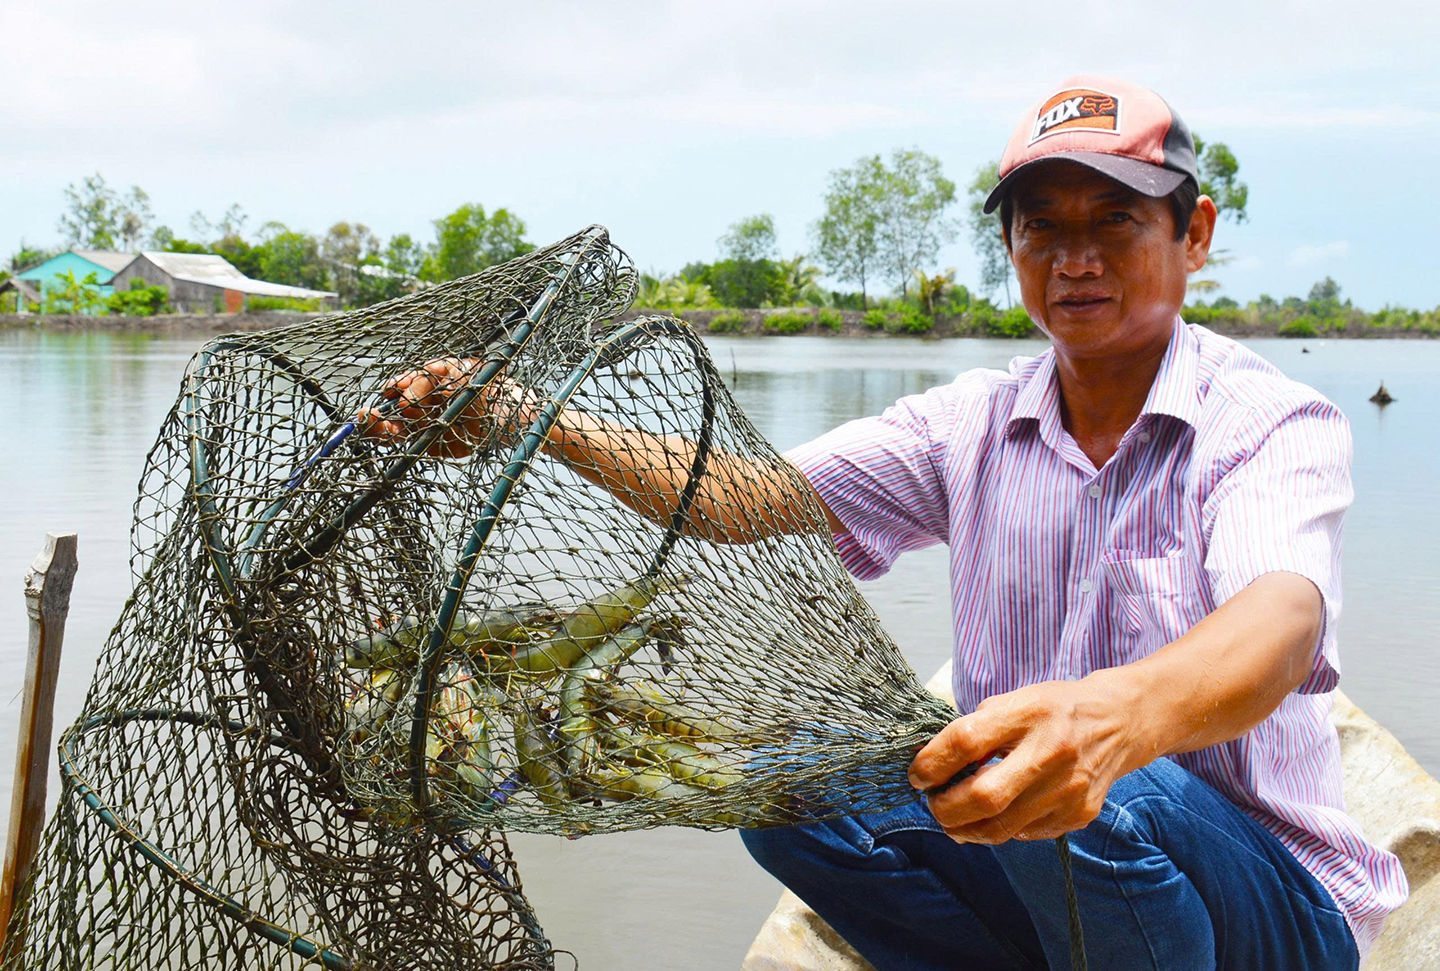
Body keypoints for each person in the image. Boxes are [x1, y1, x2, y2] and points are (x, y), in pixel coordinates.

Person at [364, 75, 1406, 969]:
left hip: (1274, 906)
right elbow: (744, 495)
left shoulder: (1267, 420)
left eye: (1114, 221)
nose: (1074, 257)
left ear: (1195, 234)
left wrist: (1110, 719)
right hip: (1055, 861)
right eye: (1042, 226)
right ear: (1013, 245)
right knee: (794, 788)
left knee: (1087, 788)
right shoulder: (971, 424)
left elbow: (1280, 624)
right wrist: (527, 417)